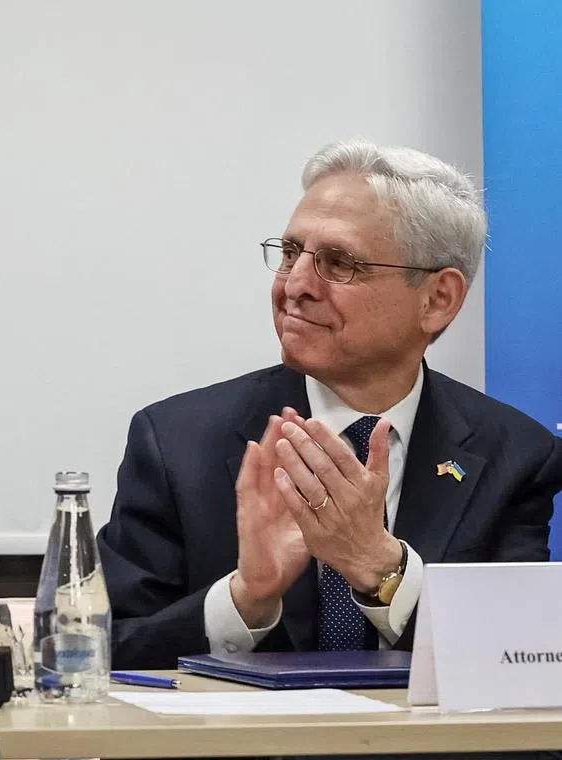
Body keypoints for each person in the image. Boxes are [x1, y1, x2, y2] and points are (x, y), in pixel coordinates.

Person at [98, 140, 562, 669]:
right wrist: (246, 598)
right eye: (291, 254)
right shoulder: (177, 442)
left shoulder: (516, 456)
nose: (294, 286)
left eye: (338, 263)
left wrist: (382, 570)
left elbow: (518, 662)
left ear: (437, 299)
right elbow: (100, 648)